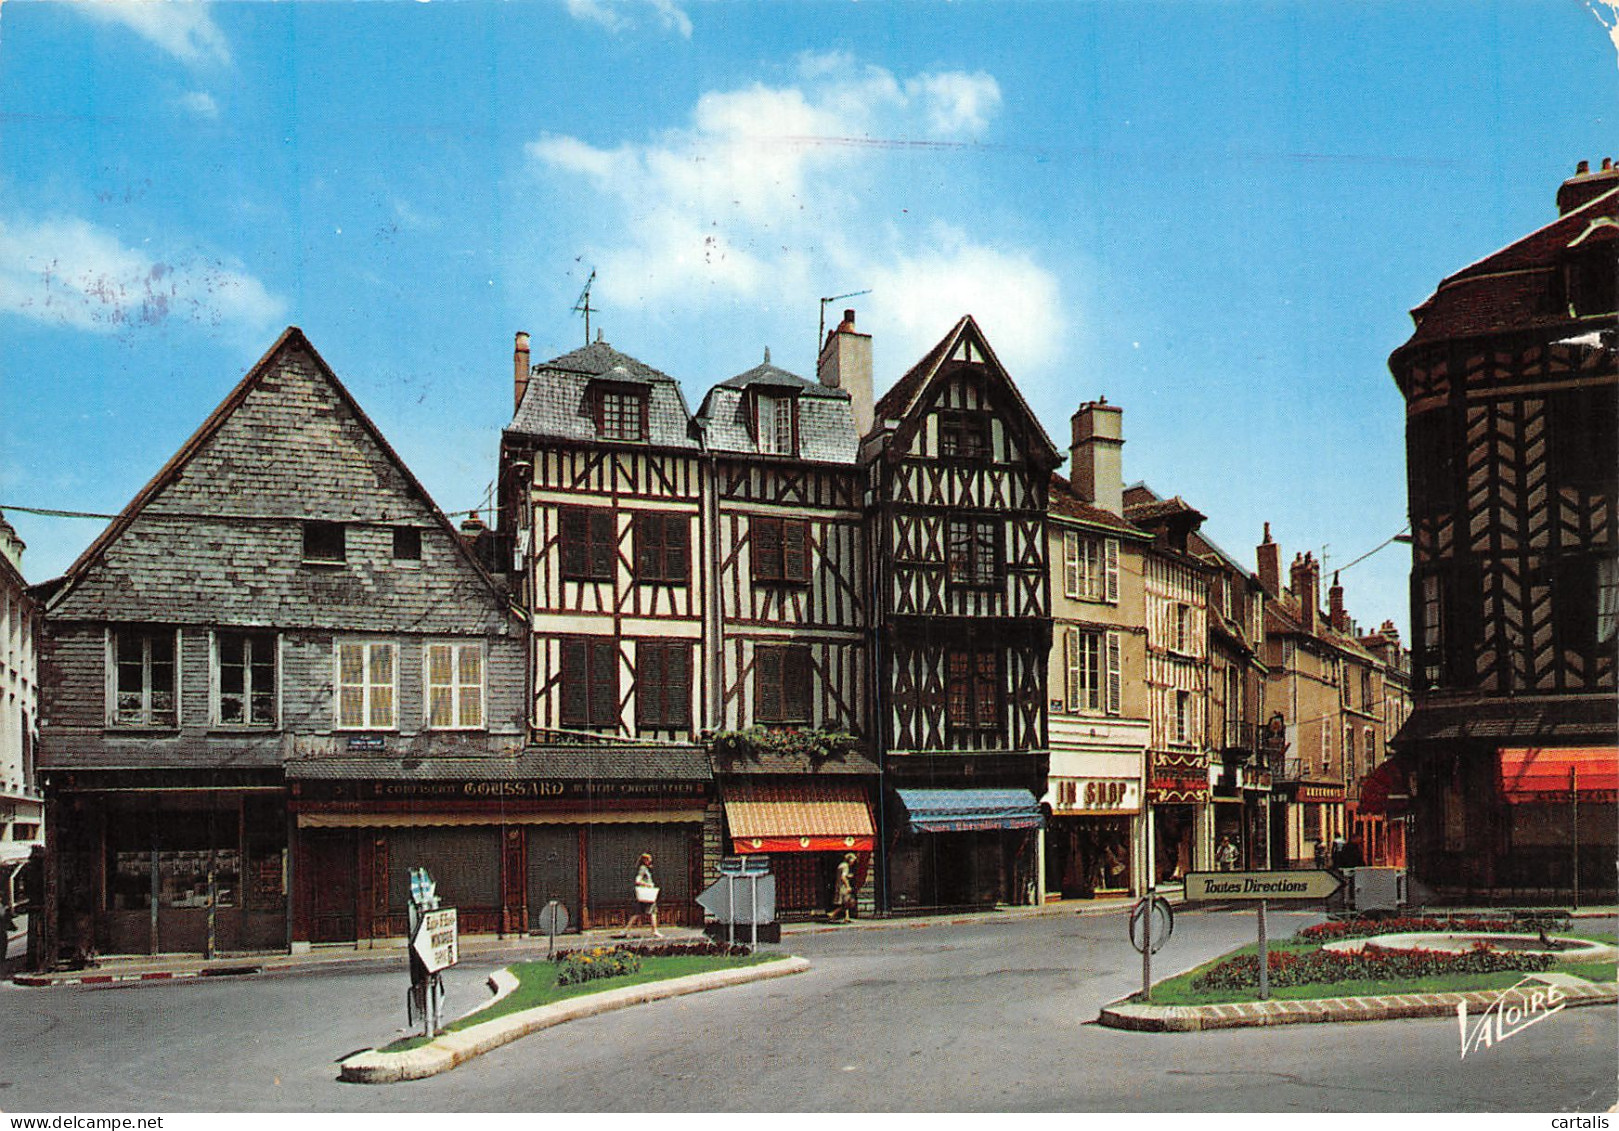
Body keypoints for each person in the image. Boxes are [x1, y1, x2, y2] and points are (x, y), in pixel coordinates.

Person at [626, 852, 663, 939]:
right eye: (649, 860)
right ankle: (654, 931)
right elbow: (638, 880)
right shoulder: (643, 868)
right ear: (645, 860)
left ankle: (626, 930)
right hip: (647, 895)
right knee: (652, 912)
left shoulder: (645, 868)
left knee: (639, 913)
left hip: (647, 895)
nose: (650, 861)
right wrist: (648, 885)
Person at [828, 852, 859, 922]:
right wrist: (848, 886)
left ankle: (846, 917)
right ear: (849, 859)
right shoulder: (845, 866)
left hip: (839, 886)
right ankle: (833, 913)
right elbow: (843, 877)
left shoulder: (841, 865)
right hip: (843, 887)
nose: (853, 863)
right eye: (853, 860)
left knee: (846, 902)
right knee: (847, 902)